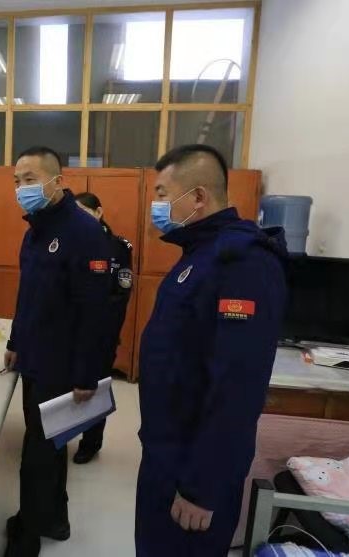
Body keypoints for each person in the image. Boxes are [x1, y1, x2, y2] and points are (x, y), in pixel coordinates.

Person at [136, 144, 287, 556]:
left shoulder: (244, 264)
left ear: (198, 196)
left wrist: (202, 487)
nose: (156, 205)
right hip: (166, 453)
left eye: (163, 193)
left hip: (193, 470)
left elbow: (238, 388)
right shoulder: (202, 253)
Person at [4, 146, 111, 557]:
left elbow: (95, 312)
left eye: (30, 179)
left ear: (57, 181)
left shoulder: (83, 232)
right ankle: (55, 520)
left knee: (38, 452)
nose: (21, 188)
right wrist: (15, 342)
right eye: (17, 181)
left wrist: (86, 375)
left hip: (61, 364)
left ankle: (26, 535)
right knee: (49, 445)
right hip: (35, 357)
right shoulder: (36, 230)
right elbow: (28, 296)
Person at [73, 192, 133, 464]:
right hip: (72, 330)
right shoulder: (73, 241)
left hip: (102, 332)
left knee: (96, 387)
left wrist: (100, 327)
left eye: (84, 213)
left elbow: (121, 294)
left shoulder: (119, 248)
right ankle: (61, 434)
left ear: (99, 212)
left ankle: (91, 443)